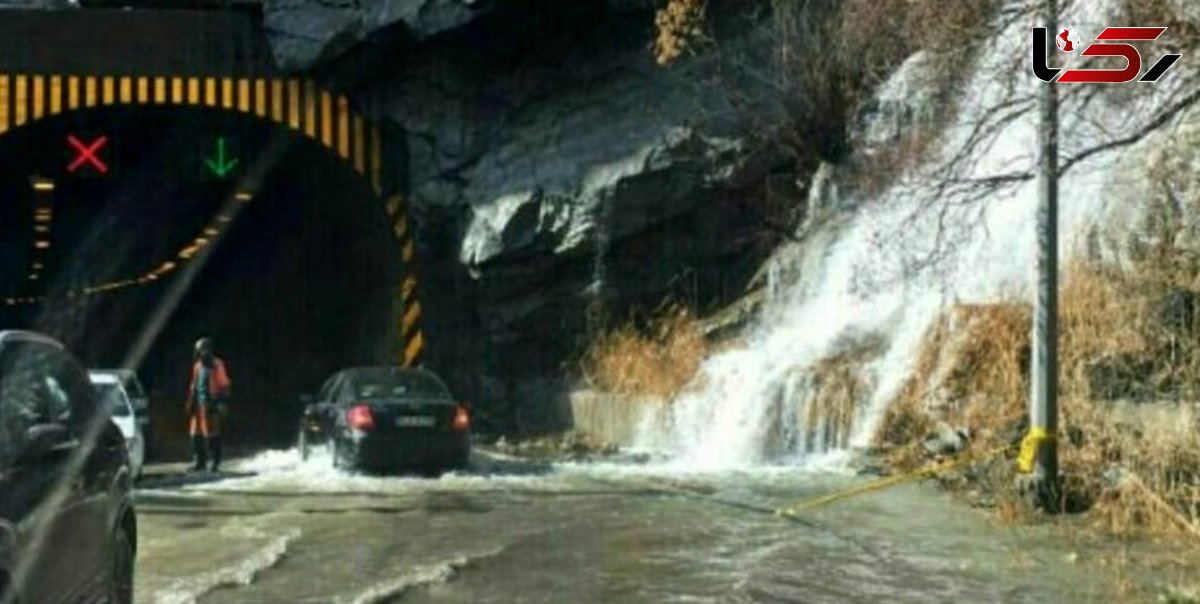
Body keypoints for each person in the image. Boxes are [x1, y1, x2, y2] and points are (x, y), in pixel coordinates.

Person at [184, 337, 232, 472]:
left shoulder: (217, 364)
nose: (202, 353)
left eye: (205, 350)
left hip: (211, 403)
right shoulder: (198, 366)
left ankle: (214, 462)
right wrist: (190, 401)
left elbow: (225, 385)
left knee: (212, 434)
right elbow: (194, 384)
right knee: (195, 434)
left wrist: (221, 403)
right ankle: (199, 461)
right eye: (200, 350)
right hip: (198, 403)